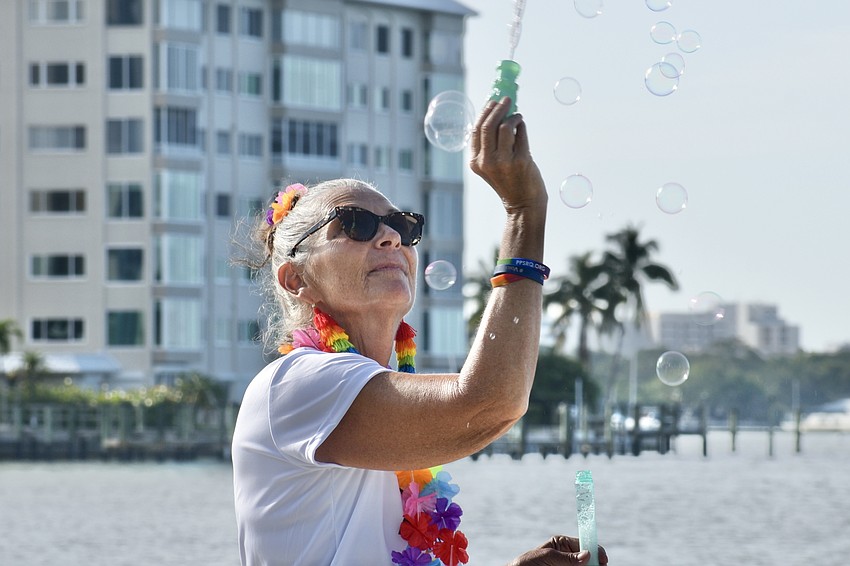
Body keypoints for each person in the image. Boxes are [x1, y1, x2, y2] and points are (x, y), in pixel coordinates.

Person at [231, 97, 609, 566]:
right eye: (356, 224)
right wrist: (523, 212)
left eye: (403, 225)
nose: (390, 237)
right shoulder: (295, 383)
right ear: (296, 279)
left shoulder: (368, 389)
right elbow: (489, 404)